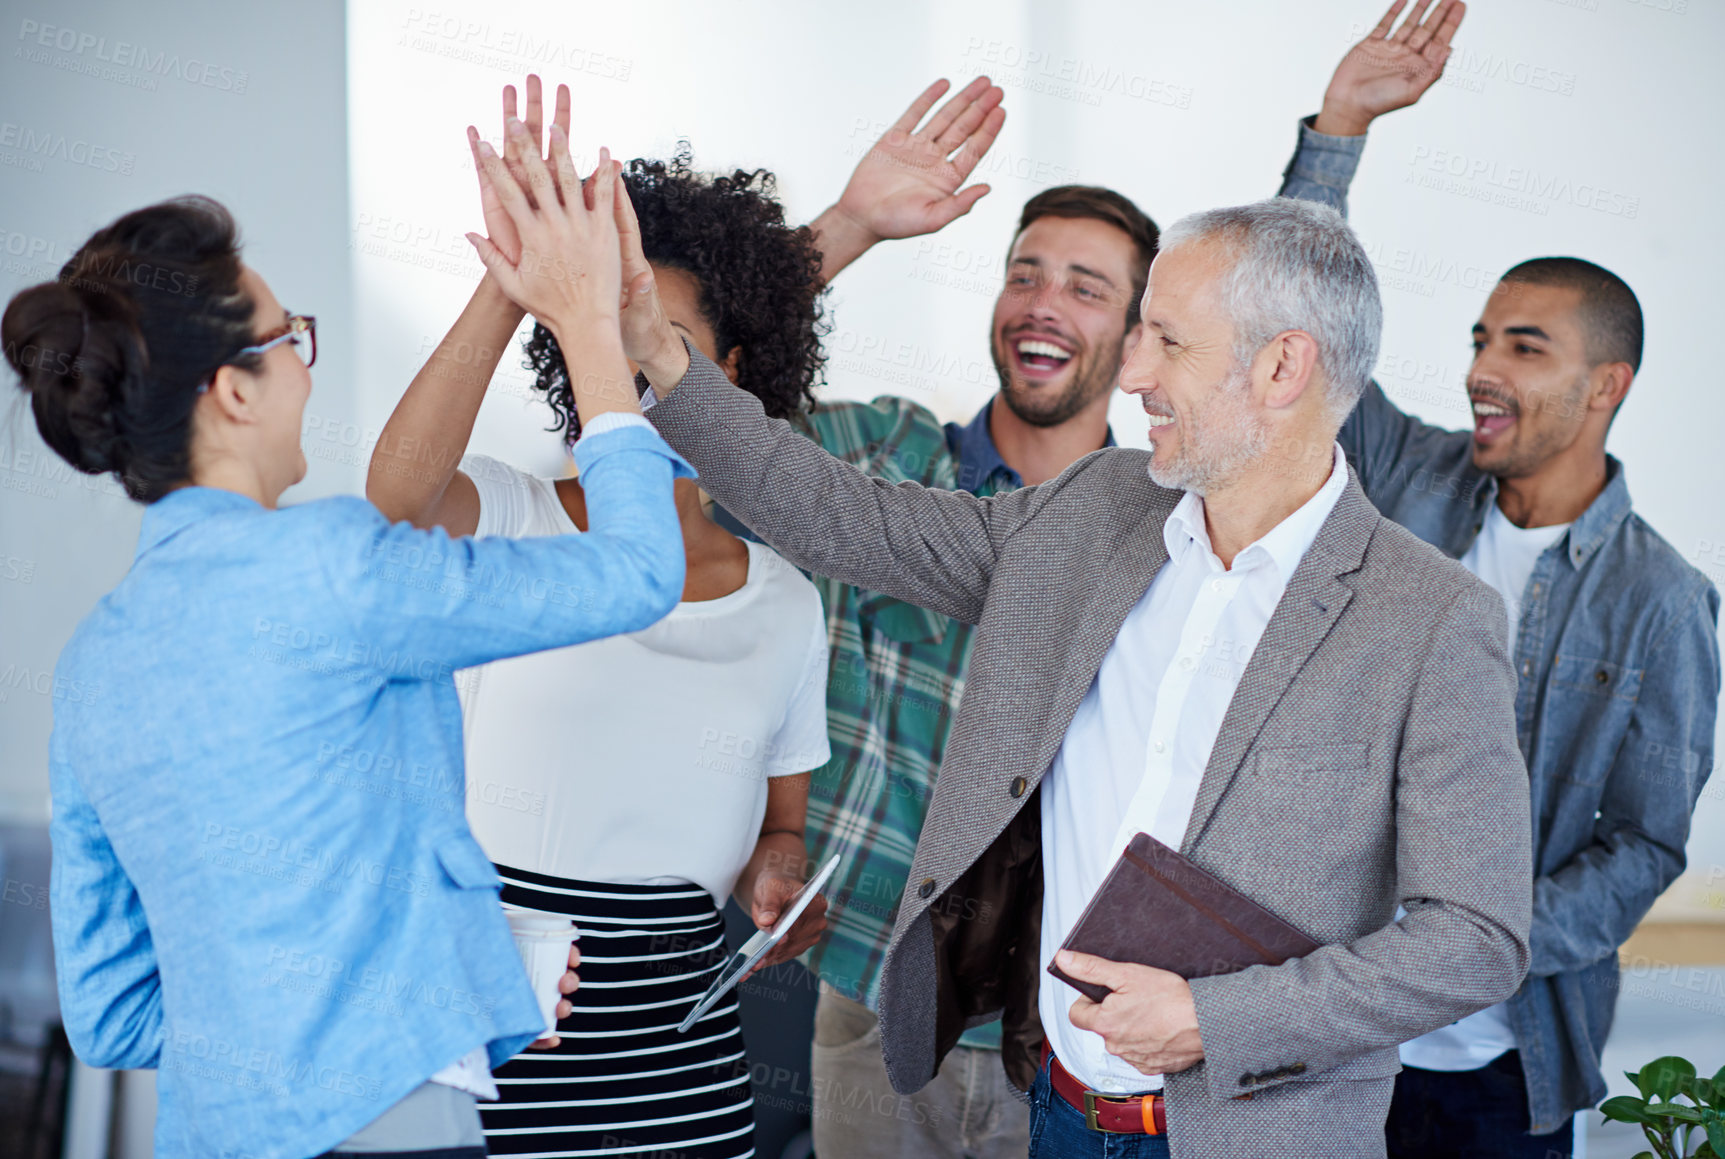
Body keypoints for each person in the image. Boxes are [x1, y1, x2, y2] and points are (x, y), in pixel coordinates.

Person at [619, 181, 1536, 1157]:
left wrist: (1216, 1019)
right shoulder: (1099, 504)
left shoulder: (1432, 620)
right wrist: (655, 350)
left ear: (1281, 367)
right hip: (1055, 1109)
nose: (1131, 372)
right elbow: (845, 516)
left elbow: (1475, 938)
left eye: (1168, 341)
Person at [768, 6, 1460, 1149]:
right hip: (888, 992)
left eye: (1091, 288)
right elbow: (710, 393)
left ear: (1149, 333)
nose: (1045, 302)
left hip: (1084, 1042)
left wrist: (1338, 130)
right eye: (1024, 273)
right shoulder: (887, 457)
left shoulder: (1178, 531)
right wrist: (848, 225)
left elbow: (1285, 316)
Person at [9, 141, 687, 1159]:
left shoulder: (92, 665)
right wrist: (587, 324)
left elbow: (109, 1014)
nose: (301, 366)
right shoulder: (334, 562)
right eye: (291, 340)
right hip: (388, 1130)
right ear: (232, 392)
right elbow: (637, 570)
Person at [1271, 7, 1722, 1154]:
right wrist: (1341, 128)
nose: (1480, 367)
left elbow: (1646, 840)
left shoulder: (1661, 599)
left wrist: (1484, 933)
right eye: (1480, 337)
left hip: (1497, 1068)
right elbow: (1297, 334)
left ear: (1605, 384)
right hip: (1330, 1031)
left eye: (1525, 346)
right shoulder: (1411, 476)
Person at [367, 79, 832, 1159]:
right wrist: (518, 286)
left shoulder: (787, 605)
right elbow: (389, 507)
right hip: (488, 1065)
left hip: (686, 1088)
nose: (614, 368)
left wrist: (777, 880)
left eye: (645, 336)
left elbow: (780, 830)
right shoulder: (514, 518)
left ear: (734, 371)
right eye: (590, 341)